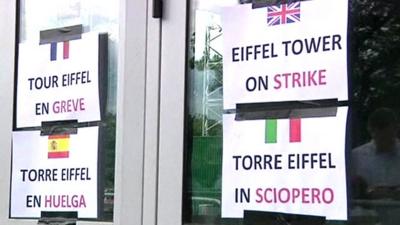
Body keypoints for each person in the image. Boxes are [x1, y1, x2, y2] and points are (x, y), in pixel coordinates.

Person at [351, 107, 400, 225]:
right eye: (379, 137)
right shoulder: (357, 156)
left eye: (388, 137)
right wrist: (366, 193)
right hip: (367, 219)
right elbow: (350, 191)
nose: (384, 142)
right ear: (371, 131)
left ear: (396, 129)